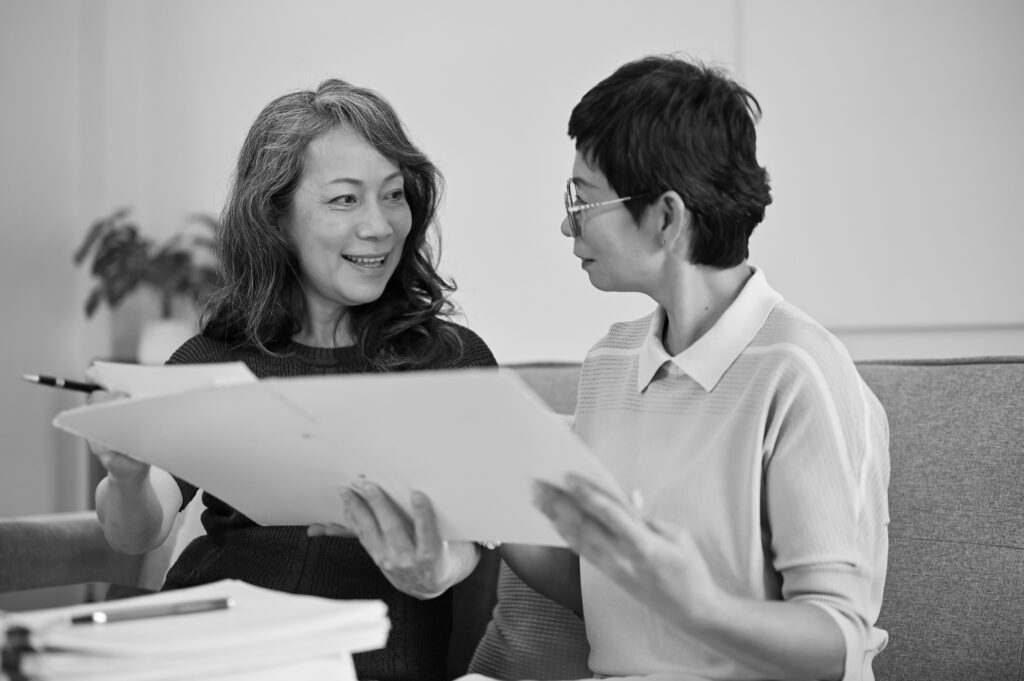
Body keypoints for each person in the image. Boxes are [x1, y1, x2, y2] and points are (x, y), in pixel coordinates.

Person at [324, 55, 891, 681]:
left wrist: (700, 606)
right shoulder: (613, 360)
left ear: (667, 218)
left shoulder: (801, 375)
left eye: (584, 199)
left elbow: (837, 641)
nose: (568, 222)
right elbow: (592, 588)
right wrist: (480, 498)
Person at [89, 78, 497, 681]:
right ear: (275, 215)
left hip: (368, 659)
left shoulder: (449, 362)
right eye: (344, 200)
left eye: (393, 196)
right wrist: (124, 478)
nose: (381, 226)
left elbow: (477, 529)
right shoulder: (212, 359)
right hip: (207, 647)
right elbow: (139, 532)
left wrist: (433, 566)